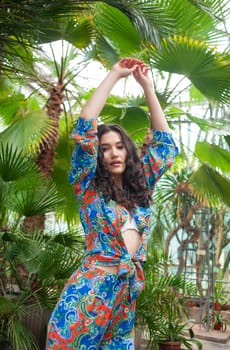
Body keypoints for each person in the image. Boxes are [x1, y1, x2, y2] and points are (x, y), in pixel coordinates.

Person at [46, 57, 179, 349]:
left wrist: (148, 88)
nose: (113, 153)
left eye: (119, 146)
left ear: (128, 151)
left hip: (125, 296)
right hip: (88, 296)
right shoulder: (88, 188)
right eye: (104, 149)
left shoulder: (140, 188)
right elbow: (84, 129)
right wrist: (115, 75)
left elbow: (167, 146)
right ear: (98, 156)